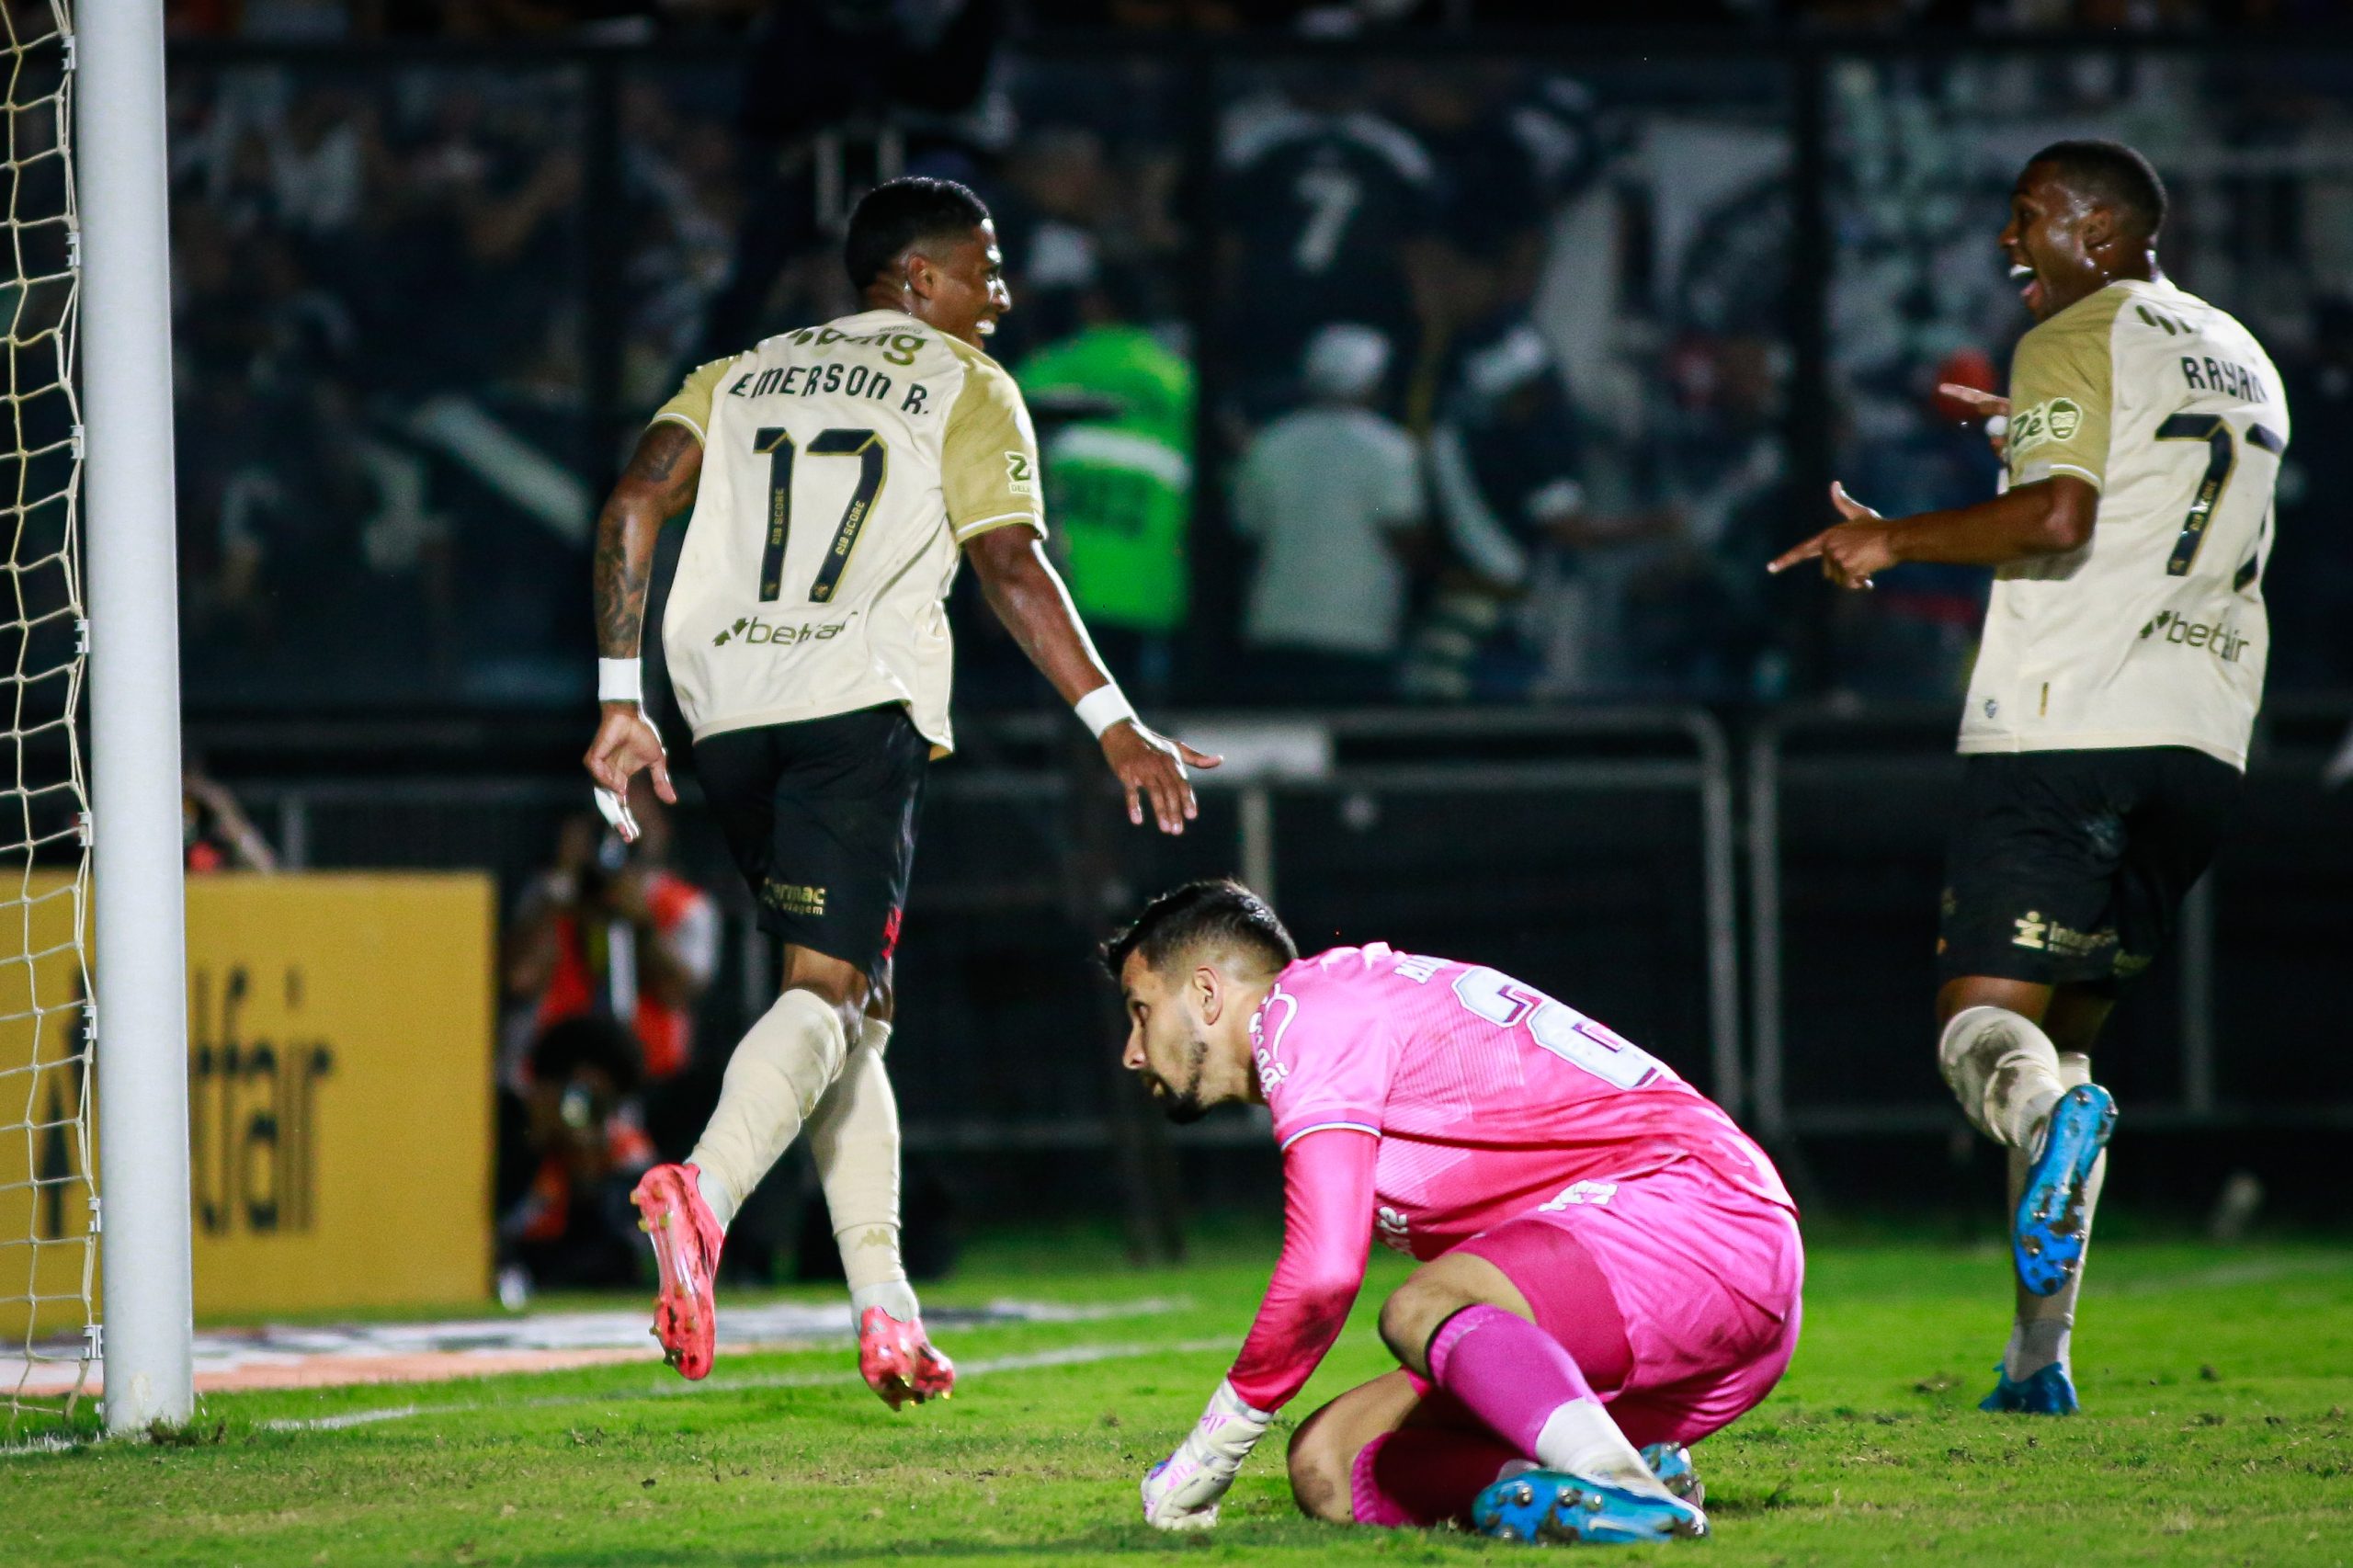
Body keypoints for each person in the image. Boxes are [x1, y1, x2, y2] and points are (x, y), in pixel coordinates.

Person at [583, 175, 1218, 1406]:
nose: (1004, 294)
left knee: (853, 1005)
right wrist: (1115, 720)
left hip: (722, 715)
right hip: (849, 705)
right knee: (829, 992)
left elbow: (632, 501)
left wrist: (621, 695)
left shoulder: (739, 369)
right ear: (919, 281)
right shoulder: (965, 383)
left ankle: (887, 1311)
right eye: (985, 268)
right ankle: (701, 1198)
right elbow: (1009, 559)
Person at [1770, 141, 2288, 1416]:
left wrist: (1887, 535)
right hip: (2205, 736)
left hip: (2069, 723)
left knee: (1984, 1039)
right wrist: (2021, 433)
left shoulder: (2076, 330)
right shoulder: (2238, 347)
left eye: (2030, 220)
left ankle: (2044, 1225)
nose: (2012, 247)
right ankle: (2034, 1358)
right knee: (2063, 1057)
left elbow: (2059, 518)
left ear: (2100, 230)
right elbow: (2155, 481)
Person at [1106, 881, 1800, 1546]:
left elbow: (1323, 1275)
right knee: (1333, 1461)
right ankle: (1596, 1492)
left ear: (1205, 991)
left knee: (1422, 1305)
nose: (1133, 1051)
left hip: (1697, 1214)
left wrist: (1211, 1452)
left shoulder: (1303, 1011)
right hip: (1684, 1286)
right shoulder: (1345, 1005)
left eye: (1141, 1011)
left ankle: (1615, 1478)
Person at [1233, 324, 1423, 701]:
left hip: (1275, 624)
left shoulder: (1269, 442)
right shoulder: (1391, 448)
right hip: (1360, 631)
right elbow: (1405, 534)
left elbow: (1246, 527)